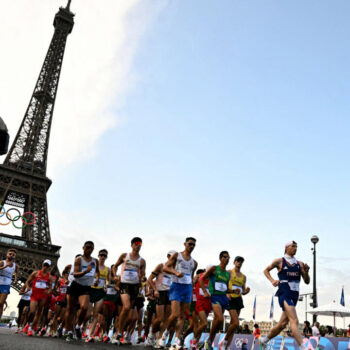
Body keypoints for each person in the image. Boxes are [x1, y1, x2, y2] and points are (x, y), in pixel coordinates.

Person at [259, 241, 310, 350]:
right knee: (294, 320)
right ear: (286, 248)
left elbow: (307, 281)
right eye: (293, 246)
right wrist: (272, 280)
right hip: (284, 292)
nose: (295, 248)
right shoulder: (279, 261)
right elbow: (266, 270)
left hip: (295, 294)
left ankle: (264, 340)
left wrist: (306, 272)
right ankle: (304, 347)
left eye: (296, 246)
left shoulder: (299, 263)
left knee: (282, 324)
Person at [158, 237, 198, 350]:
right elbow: (165, 268)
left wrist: (193, 283)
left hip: (188, 288)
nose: (191, 246)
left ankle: (176, 341)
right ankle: (165, 334)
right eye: (190, 244)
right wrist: (175, 272)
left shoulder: (194, 263)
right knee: (175, 314)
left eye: (194, 245)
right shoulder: (177, 256)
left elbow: (190, 276)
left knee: (182, 316)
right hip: (176, 286)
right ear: (185, 244)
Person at [112, 237, 146, 345]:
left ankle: (123, 333)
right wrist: (115, 276)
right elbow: (115, 266)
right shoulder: (124, 256)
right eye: (136, 243)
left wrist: (142, 277)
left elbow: (143, 274)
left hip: (135, 286)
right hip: (124, 284)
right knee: (126, 307)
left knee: (130, 316)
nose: (138, 245)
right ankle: (117, 333)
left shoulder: (142, 261)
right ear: (131, 245)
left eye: (140, 244)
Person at [64, 241, 100, 342]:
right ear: (83, 248)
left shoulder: (95, 261)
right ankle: (69, 332)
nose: (89, 249)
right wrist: (85, 271)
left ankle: (78, 326)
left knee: (84, 308)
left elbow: (97, 272)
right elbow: (75, 274)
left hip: (86, 287)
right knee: (71, 309)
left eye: (91, 248)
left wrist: (96, 279)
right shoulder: (78, 260)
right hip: (76, 285)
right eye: (87, 247)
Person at [199, 251, 232, 350]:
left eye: (228, 257)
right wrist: (205, 291)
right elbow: (201, 279)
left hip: (223, 298)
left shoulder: (227, 273)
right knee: (220, 318)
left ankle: (209, 342)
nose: (227, 259)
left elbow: (226, 288)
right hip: (215, 297)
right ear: (220, 258)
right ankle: (208, 341)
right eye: (225, 257)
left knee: (217, 321)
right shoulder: (214, 268)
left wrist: (233, 291)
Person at [146, 250, 176, 347]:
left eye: (175, 258)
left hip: (170, 294)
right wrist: (155, 290)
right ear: (168, 256)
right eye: (172, 257)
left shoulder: (176, 269)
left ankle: (159, 340)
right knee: (159, 318)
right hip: (160, 293)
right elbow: (150, 279)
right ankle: (151, 335)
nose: (174, 260)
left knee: (166, 319)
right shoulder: (161, 266)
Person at [222, 256, 250, 349]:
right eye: (238, 261)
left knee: (232, 324)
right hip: (230, 298)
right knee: (236, 323)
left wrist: (247, 291)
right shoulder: (229, 272)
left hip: (238, 299)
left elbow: (243, 291)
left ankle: (227, 346)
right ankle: (225, 341)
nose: (239, 263)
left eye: (241, 261)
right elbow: (224, 284)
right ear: (234, 262)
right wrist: (226, 293)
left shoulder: (243, 277)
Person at [23, 259, 54, 336]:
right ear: (42, 265)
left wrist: (49, 291)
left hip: (43, 296)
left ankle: (30, 328)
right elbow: (27, 281)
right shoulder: (35, 273)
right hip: (34, 295)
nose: (45, 267)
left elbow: (50, 287)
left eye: (47, 266)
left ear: (49, 267)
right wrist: (27, 287)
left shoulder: (49, 277)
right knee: (32, 311)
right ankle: (28, 323)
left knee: (39, 313)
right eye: (45, 265)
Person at [86, 249, 109, 343]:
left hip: (100, 291)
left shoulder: (108, 269)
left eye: (105, 255)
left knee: (95, 314)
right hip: (90, 290)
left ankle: (90, 335)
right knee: (87, 314)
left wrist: (106, 285)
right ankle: (79, 327)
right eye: (101, 255)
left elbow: (107, 279)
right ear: (98, 256)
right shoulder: (93, 266)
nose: (103, 257)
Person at [0, 248, 18, 319]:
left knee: (1, 303)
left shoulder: (15, 266)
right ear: (7, 254)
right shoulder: (2, 262)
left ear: (15, 256)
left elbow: (16, 272)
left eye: (13, 255)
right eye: (10, 254)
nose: (11, 255)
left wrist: (15, 279)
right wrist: (5, 266)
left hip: (6, 285)